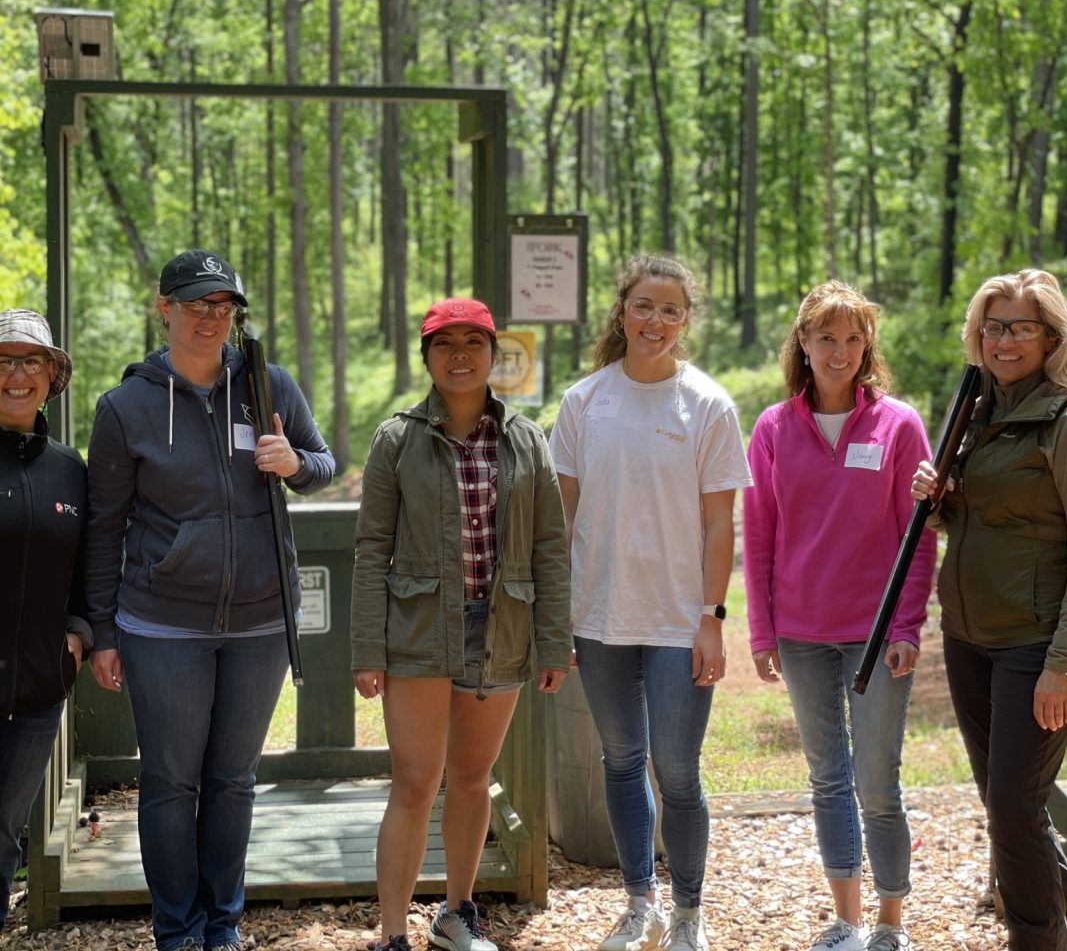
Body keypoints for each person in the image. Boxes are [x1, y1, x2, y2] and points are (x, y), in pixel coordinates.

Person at [85, 249, 334, 951]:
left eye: (222, 307)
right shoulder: (125, 407)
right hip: (160, 625)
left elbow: (321, 465)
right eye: (195, 304)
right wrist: (102, 629)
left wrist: (295, 464)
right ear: (162, 308)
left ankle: (221, 925)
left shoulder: (269, 385)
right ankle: (177, 930)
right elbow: (103, 528)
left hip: (258, 622)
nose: (209, 318)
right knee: (169, 782)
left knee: (233, 781)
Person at [351, 297, 570, 951]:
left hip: (500, 626)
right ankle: (393, 931)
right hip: (418, 631)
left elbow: (550, 546)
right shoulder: (396, 438)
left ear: (491, 354)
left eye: (473, 343)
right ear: (426, 357)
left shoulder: (525, 438)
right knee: (416, 781)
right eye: (444, 344)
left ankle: (457, 913)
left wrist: (553, 639)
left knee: (472, 777)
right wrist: (368, 647)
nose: (459, 356)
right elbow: (370, 547)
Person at [548, 254, 751, 951]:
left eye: (669, 309)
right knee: (619, 758)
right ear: (621, 311)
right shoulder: (583, 402)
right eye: (643, 305)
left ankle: (689, 911)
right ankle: (641, 903)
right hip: (598, 616)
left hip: (677, 619)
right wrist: (557, 618)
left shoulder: (708, 405)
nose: (654, 321)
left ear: (685, 320)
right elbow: (562, 519)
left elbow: (720, 524)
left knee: (678, 769)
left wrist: (711, 618)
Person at [743, 280, 935, 951]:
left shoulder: (898, 425)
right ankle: (846, 920)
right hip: (799, 633)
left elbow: (918, 533)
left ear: (866, 347)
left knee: (876, 781)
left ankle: (890, 921)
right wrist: (761, 630)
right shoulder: (771, 427)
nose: (840, 350)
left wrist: (907, 624)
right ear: (802, 341)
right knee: (826, 777)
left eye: (853, 338)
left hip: (876, 634)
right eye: (826, 336)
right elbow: (758, 531)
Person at [912, 269, 1067, 951]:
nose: (1004, 339)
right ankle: (1060, 940)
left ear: (1050, 336)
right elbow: (977, 522)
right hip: (966, 638)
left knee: (1013, 813)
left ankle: (1032, 940)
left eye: (1019, 326)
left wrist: (1062, 662)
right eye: (993, 325)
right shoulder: (979, 412)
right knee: (1009, 807)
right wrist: (938, 498)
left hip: (1033, 645)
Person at [0, 309, 90, 930]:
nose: (16, 374)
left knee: (4, 833)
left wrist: (80, 637)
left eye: (30, 360)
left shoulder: (70, 469)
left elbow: (91, 568)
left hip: (37, 690)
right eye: (3, 361)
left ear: (51, 374)